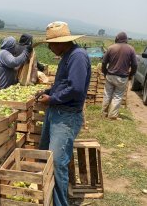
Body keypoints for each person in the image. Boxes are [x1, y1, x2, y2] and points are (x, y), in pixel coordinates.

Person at [35, 21, 91, 206]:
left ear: (61, 42)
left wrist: (51, 99)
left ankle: (60, 203)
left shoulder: (77, 57)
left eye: (51, 44)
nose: (50, 48)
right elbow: (63, 85)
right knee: (44, 154)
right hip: (56, 112)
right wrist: (49, 92)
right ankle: (46, 197)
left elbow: (75, 89)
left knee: (58, 162)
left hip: (66, 116)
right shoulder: (68, 56)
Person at [101, 32, 137, 120]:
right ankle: (112, 116)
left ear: (117, 38)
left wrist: (105, 72)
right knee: (117, 96)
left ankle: (103, 113)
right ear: (126, 40)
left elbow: (104, 62)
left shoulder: (111, 48)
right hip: (122, 77)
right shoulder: (131, 49)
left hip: (110, 75)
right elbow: (135, 65)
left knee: (107, 94)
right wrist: (131, 75)